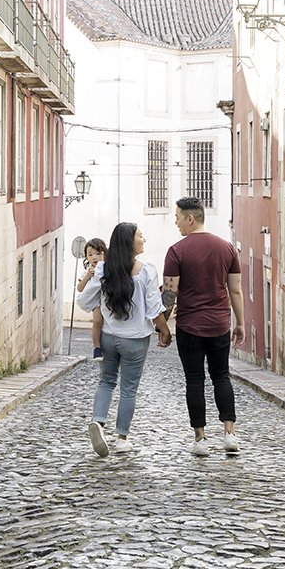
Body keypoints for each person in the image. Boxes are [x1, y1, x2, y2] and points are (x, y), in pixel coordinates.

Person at [76, 223, 172, 457]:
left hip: (109, 337)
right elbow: (153, 308)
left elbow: (83, 301)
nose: (144, 239)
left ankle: (98, 422)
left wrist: (100, 305)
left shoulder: (103, 270)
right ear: (130, 242)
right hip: (136, 341)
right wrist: (165, 331)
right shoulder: (146, 270)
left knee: (106, 382)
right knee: (129, 389)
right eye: (140, 236)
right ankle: (121, 438)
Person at [163, 196, 245, 457]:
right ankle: (229, 434)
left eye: (177, 218)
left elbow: (169, 294)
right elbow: (236, 290)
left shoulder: (176, 251)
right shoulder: (227, 249)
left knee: (194, 381)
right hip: (220, 324)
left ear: (190, 218)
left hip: (189, 326)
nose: (176, 223)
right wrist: (240, 323)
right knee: (222, 376)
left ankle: (200, 439)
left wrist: (163, 326)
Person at [74, 237, 108, 359]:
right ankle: (96, 347)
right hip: (96, 300)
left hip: (108, 298)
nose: (94, 257)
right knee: (98, 321)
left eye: (98, 254)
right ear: (86, 257)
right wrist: (88, 277)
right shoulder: (88, 271)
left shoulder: (108, 268)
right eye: (90, 254)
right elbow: (80, 288)